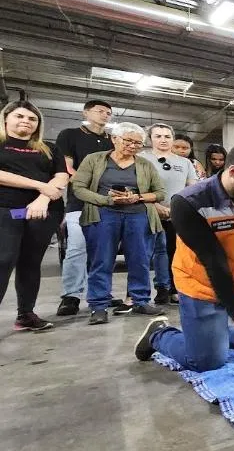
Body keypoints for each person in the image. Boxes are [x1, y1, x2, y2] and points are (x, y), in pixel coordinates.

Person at [133, 141, 234, 372]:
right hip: (203, 288)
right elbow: (213, 260)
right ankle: (160, 335)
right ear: (233, 171)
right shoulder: (189, 203)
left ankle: (217, 337)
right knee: (207, 362)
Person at [72, 122, 165, 325]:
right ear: (114, 139)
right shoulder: (94, 160)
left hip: (138, 215)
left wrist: (138, 197)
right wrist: (107, 200)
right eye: (128, 141)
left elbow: (160, 192)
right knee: (102, 260)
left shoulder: (145, 164)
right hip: (103, 215)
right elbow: (78, 187)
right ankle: (99, 306)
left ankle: (140, 300)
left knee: (140, 260)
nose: (133, 146)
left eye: (138, 143)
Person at [0, 101, 69, 331]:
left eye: (32, 119)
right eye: (20, 116)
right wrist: (42, 186)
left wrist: (43, 198)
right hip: (6, 210)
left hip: (42, 212)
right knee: (4, 260)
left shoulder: (49, 148)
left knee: (30, 263)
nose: (26, 122)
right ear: (6, 118)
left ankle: (26, 314)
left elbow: (61, 177)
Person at [54, 99, 113, 316]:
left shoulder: (113, 140)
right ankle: (71, 296)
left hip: (109, 203)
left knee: (103, 251)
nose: (105, 115)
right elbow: (66, 166)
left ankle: (101, 293)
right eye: (100, 111)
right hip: (79, 202)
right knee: (77, 248)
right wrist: (88, 184)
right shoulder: (70, 135)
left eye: (108, 112)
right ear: (86, 112)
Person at [139, 123, 197, 304]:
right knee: (145, 253)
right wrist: (156, 206)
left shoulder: (184, 162)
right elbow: (136, 186)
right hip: (147, 211)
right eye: (158, 136)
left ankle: (171, 288)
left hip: (176, 214)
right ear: (150, 139)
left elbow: (192, 188)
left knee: (174, 252)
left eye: (167, 136)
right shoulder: (141, 158)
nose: (163, 140)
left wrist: (180, 209)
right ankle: (139, 294)